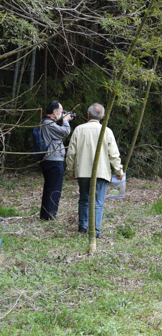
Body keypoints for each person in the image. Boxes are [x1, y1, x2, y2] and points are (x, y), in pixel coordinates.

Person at [65, 103, 123, 236]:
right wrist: (119, 171)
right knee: (98, 201)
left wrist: (70, 170)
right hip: (100, 172)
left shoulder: (79, 129)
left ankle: (83, 226)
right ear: (102, 116)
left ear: (88, 115)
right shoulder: (106, 131)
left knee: (84, 199)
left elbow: (71, 153)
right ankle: (94, 229)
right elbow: (114, 154)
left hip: (83, 171)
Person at [38, 101, 74, 221]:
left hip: (49, 159)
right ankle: (50, 215)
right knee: (54, 188)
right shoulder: (49, 124)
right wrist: (65, 120)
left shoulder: (46, 123)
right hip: (53, 160)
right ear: (54, 112)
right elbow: (65, 132)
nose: (62, 113)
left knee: (49, 187)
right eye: (61, 110)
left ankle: (46, 214)